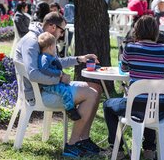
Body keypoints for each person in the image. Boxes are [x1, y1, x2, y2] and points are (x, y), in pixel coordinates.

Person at [15, 12, 103, 157]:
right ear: (51, 26)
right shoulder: (32, 42)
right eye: (62, 30)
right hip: (40, 94)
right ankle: (72, 144)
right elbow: (33, 74)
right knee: (90, 94)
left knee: (96, 88)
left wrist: (79, 59)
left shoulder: (44, 39)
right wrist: (59, 79)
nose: (62, 34)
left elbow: (55, 62)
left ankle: (83, 139)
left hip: (48, 88)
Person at [103, 15, 164, 160]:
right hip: (160, 110)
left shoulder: (131, 48)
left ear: (136, 30)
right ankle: (149, 149)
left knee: (107, 105)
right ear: (156, 31)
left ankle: (116, 150)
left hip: (135, 107)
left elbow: (123, 68)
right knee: (150, 104)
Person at [37, 32, 81, 121]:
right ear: (50, 47)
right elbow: (44, 69)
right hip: (48, 85)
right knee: (64, 91)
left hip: (53, 82)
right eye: (55, 46)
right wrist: (58, 73)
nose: (56, 49)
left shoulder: (49, 56)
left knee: (67, 87)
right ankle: (70, 110)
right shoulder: (45, 58)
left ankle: (71, 103)